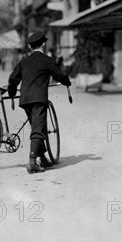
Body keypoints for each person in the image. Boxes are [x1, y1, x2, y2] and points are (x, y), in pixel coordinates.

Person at [8, 31, 71, 173]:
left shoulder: (24, 61)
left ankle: (42, 158)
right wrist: (67, 81)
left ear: (30, 47)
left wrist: (12, 93)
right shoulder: (47, 60)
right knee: (37, 128)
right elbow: (60, 76)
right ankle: (32, 162)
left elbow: (13, 79)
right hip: (38, 100)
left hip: (24, 100)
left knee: (37, 126)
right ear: (43, 44)